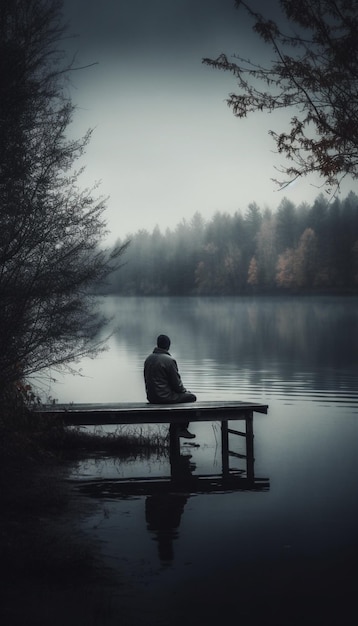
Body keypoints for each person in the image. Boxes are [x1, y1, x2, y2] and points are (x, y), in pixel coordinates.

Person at [144, 334, 196, 438]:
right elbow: (177, 385)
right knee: (191, 397)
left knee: (179, 397)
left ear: (158, 344)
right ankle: (181, 428)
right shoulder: (169, 360)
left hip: (152, 398)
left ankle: (175, 429)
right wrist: (185, 392)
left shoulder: (148, 359)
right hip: (164, 398)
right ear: (168, 346)